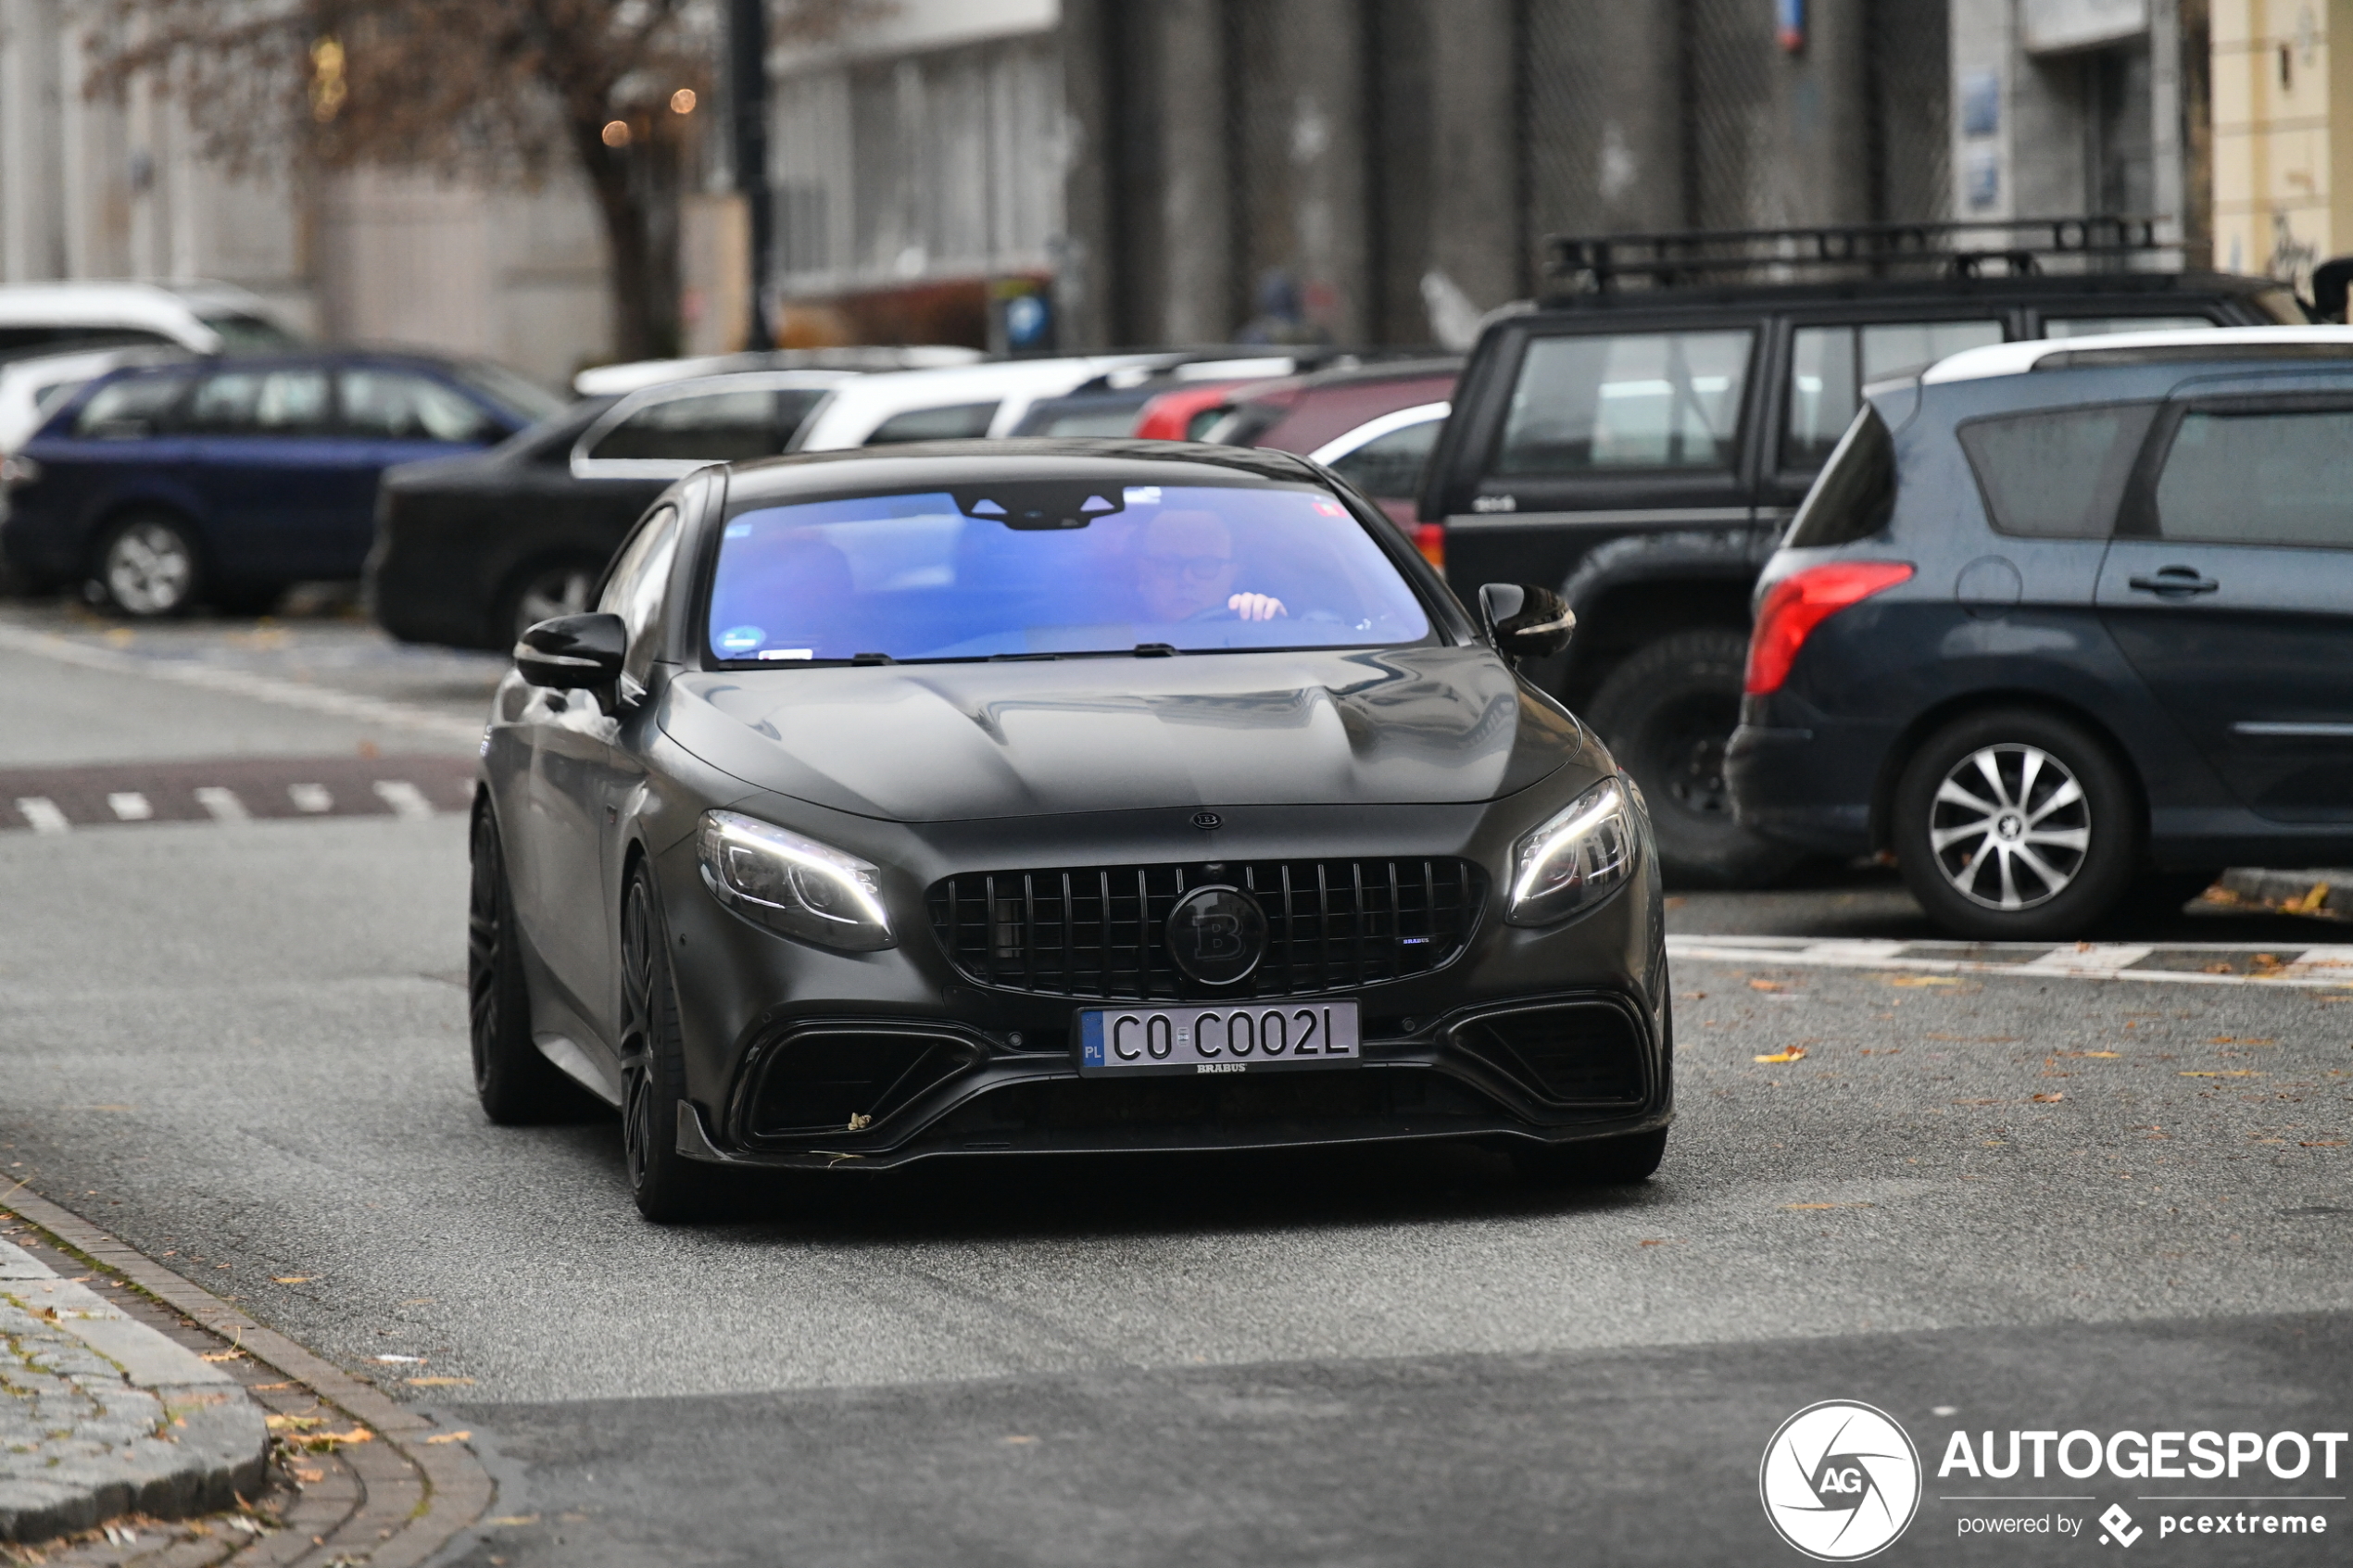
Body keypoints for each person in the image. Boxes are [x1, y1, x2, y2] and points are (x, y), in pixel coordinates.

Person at [1132, 508, 1287, 622]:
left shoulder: (1251, 629)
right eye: (1169, 564)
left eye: (1206, 565)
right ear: (1143, 571)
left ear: (1232, 575)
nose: (1186, 579)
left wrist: (1267, 621)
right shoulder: (1110, 629)